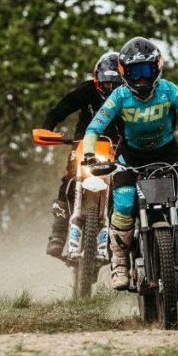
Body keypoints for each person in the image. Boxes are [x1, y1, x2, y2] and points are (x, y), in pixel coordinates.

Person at [80, 37, 178, 289]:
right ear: (124, 73)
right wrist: (89, 155)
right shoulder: (119, 96)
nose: (141, 79)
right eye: (135, 72)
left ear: (157, 68)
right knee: (123, 205)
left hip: (168, 155)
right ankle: (120, 264)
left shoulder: (169, 90)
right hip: (130, 157)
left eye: (146, 70)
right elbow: (93, 128)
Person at [34, 52, 123, 258]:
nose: (110, 88)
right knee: (70, 179)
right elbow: (60, 110)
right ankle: (58, 235)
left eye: (115, 85)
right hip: (83, 142)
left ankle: (121, 237)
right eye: (106, 83)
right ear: (96, 79)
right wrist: (47, 129)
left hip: (116, 144)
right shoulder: (86, 91)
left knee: (124, 183)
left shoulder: (127, 97)